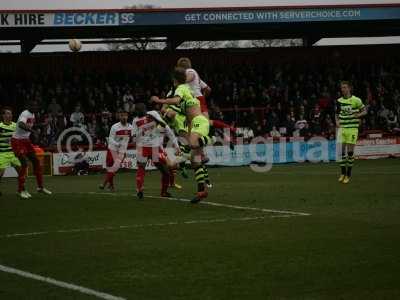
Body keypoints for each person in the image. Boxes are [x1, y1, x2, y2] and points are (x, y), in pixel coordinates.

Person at [151, 67, 213, 203]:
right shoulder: (187, 92)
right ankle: (202, 190)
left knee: (192, 144)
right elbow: (179, 108)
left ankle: (212, 139)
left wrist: (160, 101)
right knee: (195, 161)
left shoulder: (181, 89)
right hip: (196, 123)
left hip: (199, 121)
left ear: (174, 80)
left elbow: (175, 101)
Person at [177, 57, 237, 140]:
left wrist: (180, 83)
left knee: (192, 124)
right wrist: (203, 96)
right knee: (206, 123)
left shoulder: (189, 71)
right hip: (200, 99)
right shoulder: (197, 78)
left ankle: (196, 143)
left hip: (193, 101)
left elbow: (189, 78)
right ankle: (229, 128)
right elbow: (208, 89)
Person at [133, 106, 180, 199]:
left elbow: (134, 137)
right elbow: (171, 134)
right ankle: (163, 192)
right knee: (165, 171)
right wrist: (177, 146)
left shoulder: (137, 121)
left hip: (144, 148)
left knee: (141, 168)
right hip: (154, 148)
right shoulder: (162, 124)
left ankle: (139, 189)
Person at [11, 102, 52, 198]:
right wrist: (32, 131)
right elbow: (21, 124)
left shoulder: (33, 114)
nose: (35, 107)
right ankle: (20, 190)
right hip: (17, 141)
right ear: (28, 106)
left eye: (36, 106)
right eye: (33, 105)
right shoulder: (25, 113)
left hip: (26, 141)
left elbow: (31, 125)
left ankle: (40, 187)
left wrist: (43, 124)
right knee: (24, 164)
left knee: (36, 162)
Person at [336, 81, 367, 184]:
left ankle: (348, 175)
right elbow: (336, 113)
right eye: (342, 88)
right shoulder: (339, 100)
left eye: (345, 87)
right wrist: (337, 122)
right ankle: (342, 173)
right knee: (341, 152)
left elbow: (365, 111)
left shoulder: (356, 100)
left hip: (352, 128)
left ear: (349, 88)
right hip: (342, 128)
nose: (343, 89)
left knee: (349, 152)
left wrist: (358, 115)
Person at [100, 110, 133, 191]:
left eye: (125, 115)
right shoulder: (115, 127)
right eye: (122, 116)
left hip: (121, 152)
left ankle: (104, 184)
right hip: (112, 149)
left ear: (127, 117)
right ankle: (111, 186)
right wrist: (117, 144)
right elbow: (110, 138)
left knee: (114, 168)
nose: (124, 117)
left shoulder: (131, 127)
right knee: (110, 168)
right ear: (119, 117)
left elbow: (135, 136)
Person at [0, 107, 21, 196]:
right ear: (3, 115)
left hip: (13, 153)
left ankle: (21, 190)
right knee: (1, 173)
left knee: (22, 171)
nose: (10, 115)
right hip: (2, 153)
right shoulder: (0, 126)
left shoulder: (15, 126)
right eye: (8, 113)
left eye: (11, 114)